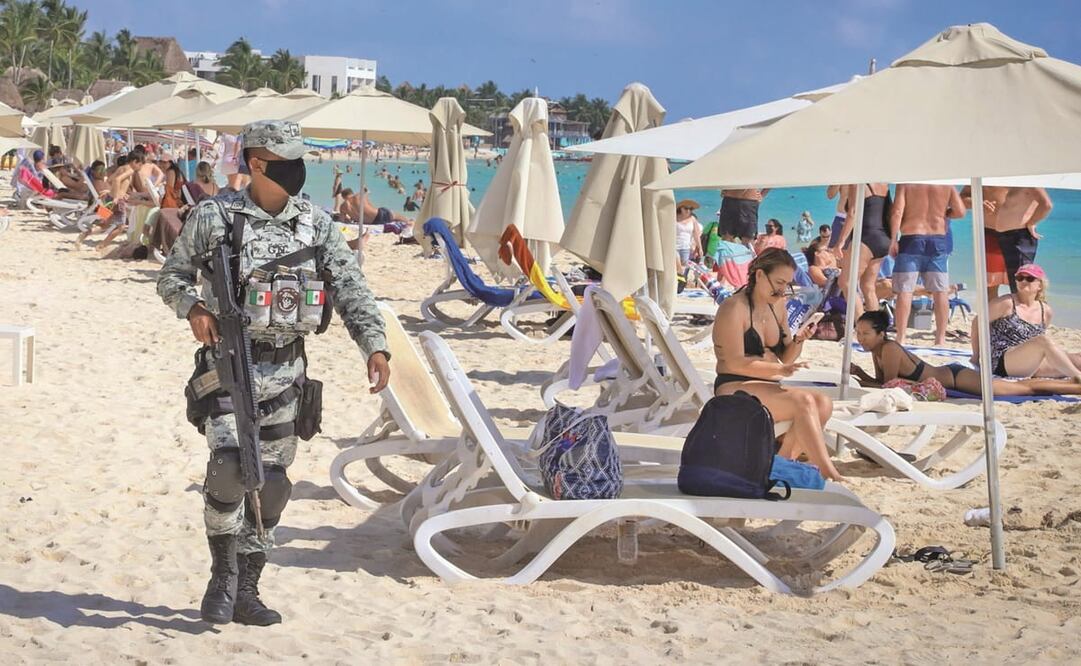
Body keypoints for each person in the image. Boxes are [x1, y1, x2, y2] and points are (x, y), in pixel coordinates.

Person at [157, 120, 391, 626]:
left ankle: (249, 586)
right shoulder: (215, 217)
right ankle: (222, 574)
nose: (298, 167)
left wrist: (375, 346)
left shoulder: (315, 222)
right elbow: (172, 276)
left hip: (288, 374)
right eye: (287, 158)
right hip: (227, 367)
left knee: (273, 485)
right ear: (257, 164)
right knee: (227, 472)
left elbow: (350, 287)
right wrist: (195, 307)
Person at [711, 248, 843, 482]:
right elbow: (732, 362)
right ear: (760, 275)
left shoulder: (778, 305)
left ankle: (781, 463)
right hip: (733, 386)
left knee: (823, 403)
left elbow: (787, 357)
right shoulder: (734, 308)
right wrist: (779, 370)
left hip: (767, 386)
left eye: (788, 284)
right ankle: (827, 469)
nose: (783, 290)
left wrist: (799, 339)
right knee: (803, 401)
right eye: (779, 282)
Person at [851, 310, 1080, 396]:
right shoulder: (877, 349)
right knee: (1022, 387)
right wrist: (861, 373)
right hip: (951, 378)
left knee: (1023, 388)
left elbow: (888, 386)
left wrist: (861, 378)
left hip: (957, 378)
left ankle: (1075, 386)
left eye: (864, 333)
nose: (860, 338)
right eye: (858, 333)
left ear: (880, 333)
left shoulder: (889, 349)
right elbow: (884, 383)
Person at [970, 264, 1081, 381]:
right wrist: (976, 357)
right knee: (1043, 340)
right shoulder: (1006, 303)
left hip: (1030, 363)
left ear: (1040, 285)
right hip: (1003, 362)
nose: (1023, 281)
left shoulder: (1045, 311)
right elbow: (977, 323)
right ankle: (1077, 377)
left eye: (1029, 278)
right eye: (1019, 278)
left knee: (1078, 359)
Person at [888, 184, 965, 346]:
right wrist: (944, 213)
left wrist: (893, 239)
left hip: (911, 239)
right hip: (937, 239)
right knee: (940, 291)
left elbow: (897, 212)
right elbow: (960, 211)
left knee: (905, 290)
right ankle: (940, 338)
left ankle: (901, 337)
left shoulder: (907, 183)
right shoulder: (946, 184)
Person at [963, 186, 1052, 297]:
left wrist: (1032, 222)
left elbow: (1044, 203)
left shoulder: (1023, 178)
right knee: (990, 285)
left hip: (1018, 234)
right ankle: (994, 313)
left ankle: (1026, 312)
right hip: (990, 234)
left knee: (1022, 283)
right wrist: (976, 203)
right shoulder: (984, 174)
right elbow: (962, 198)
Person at [833, 183, 892, 313]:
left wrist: (840, 242)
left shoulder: (859, 183)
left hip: (867, 236)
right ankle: (875, 329)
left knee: (846, 283)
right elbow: (890, 214)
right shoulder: (884, 185)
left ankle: (862, 327)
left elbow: (852, 213)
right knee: (868, 287)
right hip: (883, 238)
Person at [674, 199, 703, 268]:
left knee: (684, 268)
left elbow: (696, 235)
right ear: (680, 208)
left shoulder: (693, 219)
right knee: (675, 268)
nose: (688, 211)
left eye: (690, 209)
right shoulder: (674, 217)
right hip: (674, 247)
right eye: (686, 208)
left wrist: (700, 248)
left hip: (686, 248)